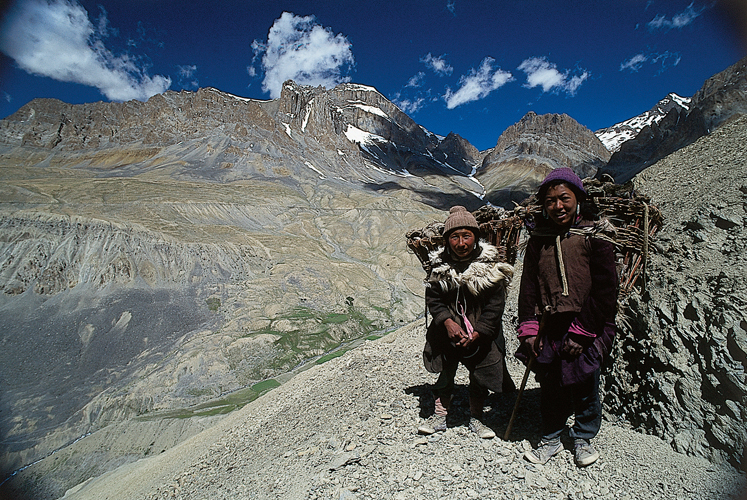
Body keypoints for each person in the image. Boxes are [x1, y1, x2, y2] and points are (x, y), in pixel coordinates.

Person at [516, 167, 618, 467]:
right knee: (549, 383)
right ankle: (551, 437)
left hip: (589, 322)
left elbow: (605, 290)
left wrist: (582, 330)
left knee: (585, 382)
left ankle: (583, 436)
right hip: (549, 324)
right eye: (550, 201)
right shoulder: (539, 239)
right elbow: (529, 286)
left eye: (564, 198)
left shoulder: (595, 236)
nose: (557, 206)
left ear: (578, 198)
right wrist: (529, 328)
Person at [418, 206, 514, 439]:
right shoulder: (439, 268)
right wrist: (448, 323)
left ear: (475, 237)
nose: (461, 243)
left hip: (481, 332)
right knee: (445, 372)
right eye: (455, 236)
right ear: (448, 240)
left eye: (466, 236)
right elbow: (434, 299)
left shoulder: (490, 268)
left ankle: (477, 417)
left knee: (480, 373)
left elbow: (495, 305)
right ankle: (440, 415)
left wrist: (481, 332)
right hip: (447, 331)